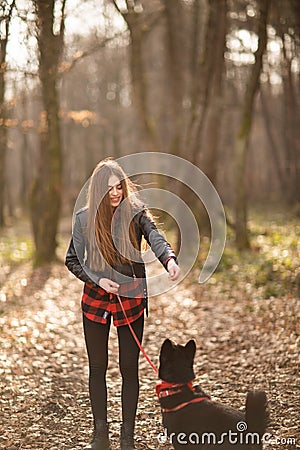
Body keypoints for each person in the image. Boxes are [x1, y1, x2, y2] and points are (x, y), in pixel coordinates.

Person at [65, 158, 180, 450]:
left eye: (119, 187)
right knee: (97, 367)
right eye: (109, 189)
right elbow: (72, 260)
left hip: (130, 298)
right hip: (95, 299)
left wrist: (168, 259)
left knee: (129, 367)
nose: (115, 193)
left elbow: (156, 236)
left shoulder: (136, 212)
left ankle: (127, 437)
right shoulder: (83, 218)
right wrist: (97, 280)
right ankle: (100, 435)